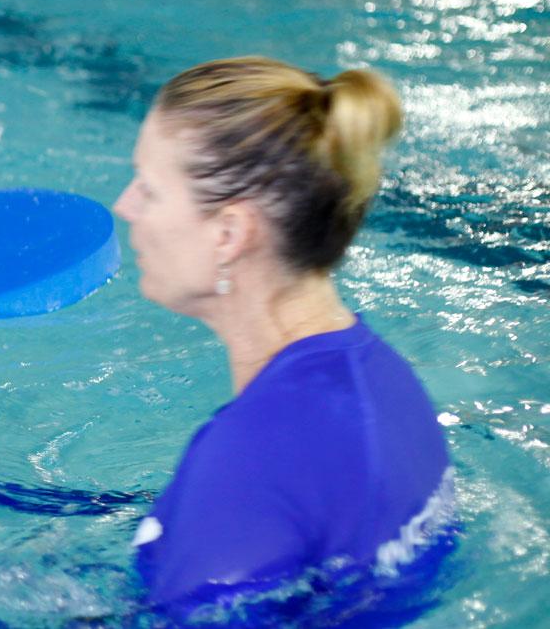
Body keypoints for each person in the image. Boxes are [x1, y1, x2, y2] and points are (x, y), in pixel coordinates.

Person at [113, 57, 453, 618]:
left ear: (229, 234)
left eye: (148, 189)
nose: (124, 206)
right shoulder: (381, 378)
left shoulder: (250, 452)